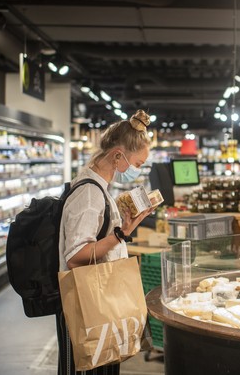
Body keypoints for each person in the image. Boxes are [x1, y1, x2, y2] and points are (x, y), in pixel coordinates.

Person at [57, 110, 154, 375]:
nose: (138, 170)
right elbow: (75, 255)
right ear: (118, 155)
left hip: (100, 302)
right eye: (137, 163)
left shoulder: (99, 187)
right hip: (87, 305)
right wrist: (120, 235)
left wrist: (126, 227)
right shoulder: (89, 194)